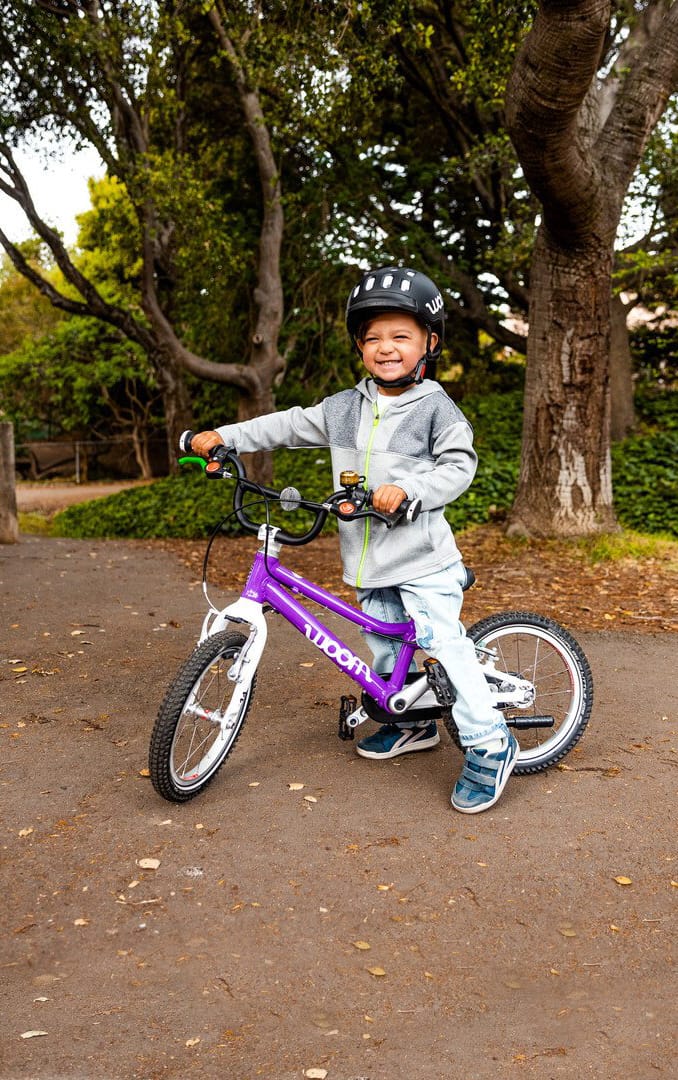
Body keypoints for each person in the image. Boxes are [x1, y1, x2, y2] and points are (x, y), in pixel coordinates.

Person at [189, 266, 518, 813]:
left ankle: (489, 743)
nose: (386, 347)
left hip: (422, 561)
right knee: (386, 650)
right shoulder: (343, 408)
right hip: (368, 563)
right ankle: (413, 724)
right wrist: (225, 436)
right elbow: (285, 425)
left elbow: (459, 467)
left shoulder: (437, 409)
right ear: (360, 347)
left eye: (401, 336)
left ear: (430, 344)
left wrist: (407, 490)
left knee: (442, 645)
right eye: (373, 338)